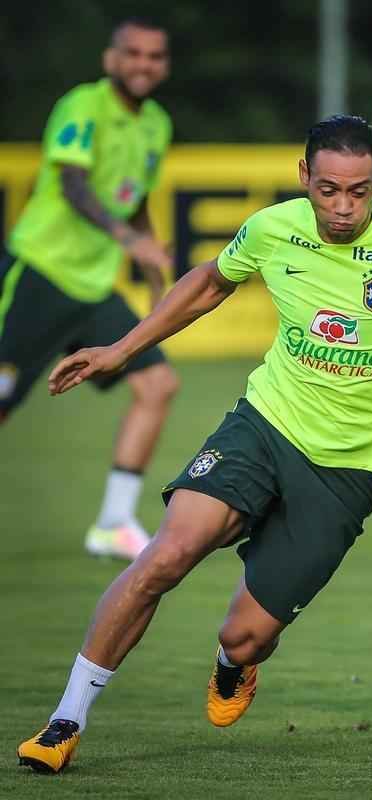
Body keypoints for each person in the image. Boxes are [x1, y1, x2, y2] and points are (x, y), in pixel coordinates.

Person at [16, 114, 372, 774]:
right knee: (165, 556)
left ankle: (234, 664)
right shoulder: (272, 228)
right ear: (303, 179)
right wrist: (121, 349)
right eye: (327, 190)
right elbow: (210, 281)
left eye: (358, 191)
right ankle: (65, 721)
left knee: (246, 635)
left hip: (344, 473)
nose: (342, 207)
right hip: (263, 426)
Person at [0, 18, 178, 560]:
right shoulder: (82, 105)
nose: (143, 64)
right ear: (111, 59)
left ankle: (113, 522)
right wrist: (128, 239)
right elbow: (72, 184)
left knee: (159, 385)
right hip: (40, 273)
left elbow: (136, 198)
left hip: (95, 288)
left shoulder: (157, 125)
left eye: (154, 56)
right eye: (133, 54)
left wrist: (151, 263)